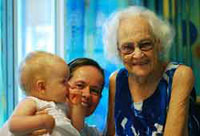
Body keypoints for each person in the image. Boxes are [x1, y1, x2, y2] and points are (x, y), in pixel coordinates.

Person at [103, 6, 200, 136]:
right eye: (128, 47)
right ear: (118, 51)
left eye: (145, 44)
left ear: (158, 44)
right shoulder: (117, 80)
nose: (137, 54)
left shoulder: (178, 75)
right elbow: (111, 133)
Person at [0, 51, 80, 136]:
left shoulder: (63, 105)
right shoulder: (32, 102)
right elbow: (13, 125)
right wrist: (42, 121)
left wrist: (77, 106)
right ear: (42, 87)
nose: (69, 85)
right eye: (64, 81)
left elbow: (77, 128)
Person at [67, 58, 105, 136]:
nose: (87, 94)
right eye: (79, 85)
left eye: (94, 90)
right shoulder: (44, 125)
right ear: (63, 85)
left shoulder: (92, 133)